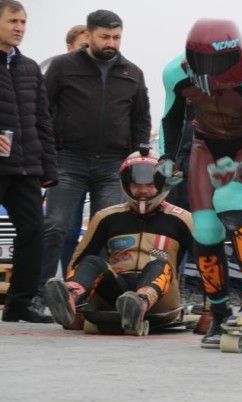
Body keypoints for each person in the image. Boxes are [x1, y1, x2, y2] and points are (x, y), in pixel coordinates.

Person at [160, 18, 242, 348]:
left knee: (230, 202)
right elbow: (171, 121)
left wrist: (241, 169)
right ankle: (218, 313)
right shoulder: (174, 74)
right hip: (207, 144)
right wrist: (167, 160)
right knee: (205, 230)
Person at [40, 9, 151, 297]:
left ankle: (92, 293)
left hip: (113, 164)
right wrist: (47, 150)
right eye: (105, 37)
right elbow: (43, 109)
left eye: (116, 37)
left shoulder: (132, 73)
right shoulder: (63, 67)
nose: (111, 43)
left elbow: (141, 119)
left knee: (106, 233)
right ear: (89, 36)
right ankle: (40, 294)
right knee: (55, 226)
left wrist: (137, 159)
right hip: (68, 159)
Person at [43, 150, 192, 333]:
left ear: (162, 184)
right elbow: (78, 260)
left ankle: (140, 304)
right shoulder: (106, 217)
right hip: (116, 292)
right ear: (125, 184)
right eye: (136, 185)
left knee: (160, 263)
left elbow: (207, 262)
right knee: (91, 261)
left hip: (162, 297)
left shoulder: (183, 219)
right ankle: (71, 300)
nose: (143, 191)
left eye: (150, 184)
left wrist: (211, 312)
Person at [0, 0, 57, 323]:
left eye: (23, 21)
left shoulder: (30, 67)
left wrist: (48, 169)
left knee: (33, 232)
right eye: (13, 20)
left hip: (26, 168)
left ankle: (19, 304)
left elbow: (42, 120)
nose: (19, 27)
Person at [60, 24, 90, 273]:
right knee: (66, 229)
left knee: (100, 229)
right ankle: (68, 281)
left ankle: (91, 287)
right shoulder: (59, 77)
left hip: (103, 162)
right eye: (83, 47)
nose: (87, 52)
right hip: (67, 161)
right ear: (69, 48)